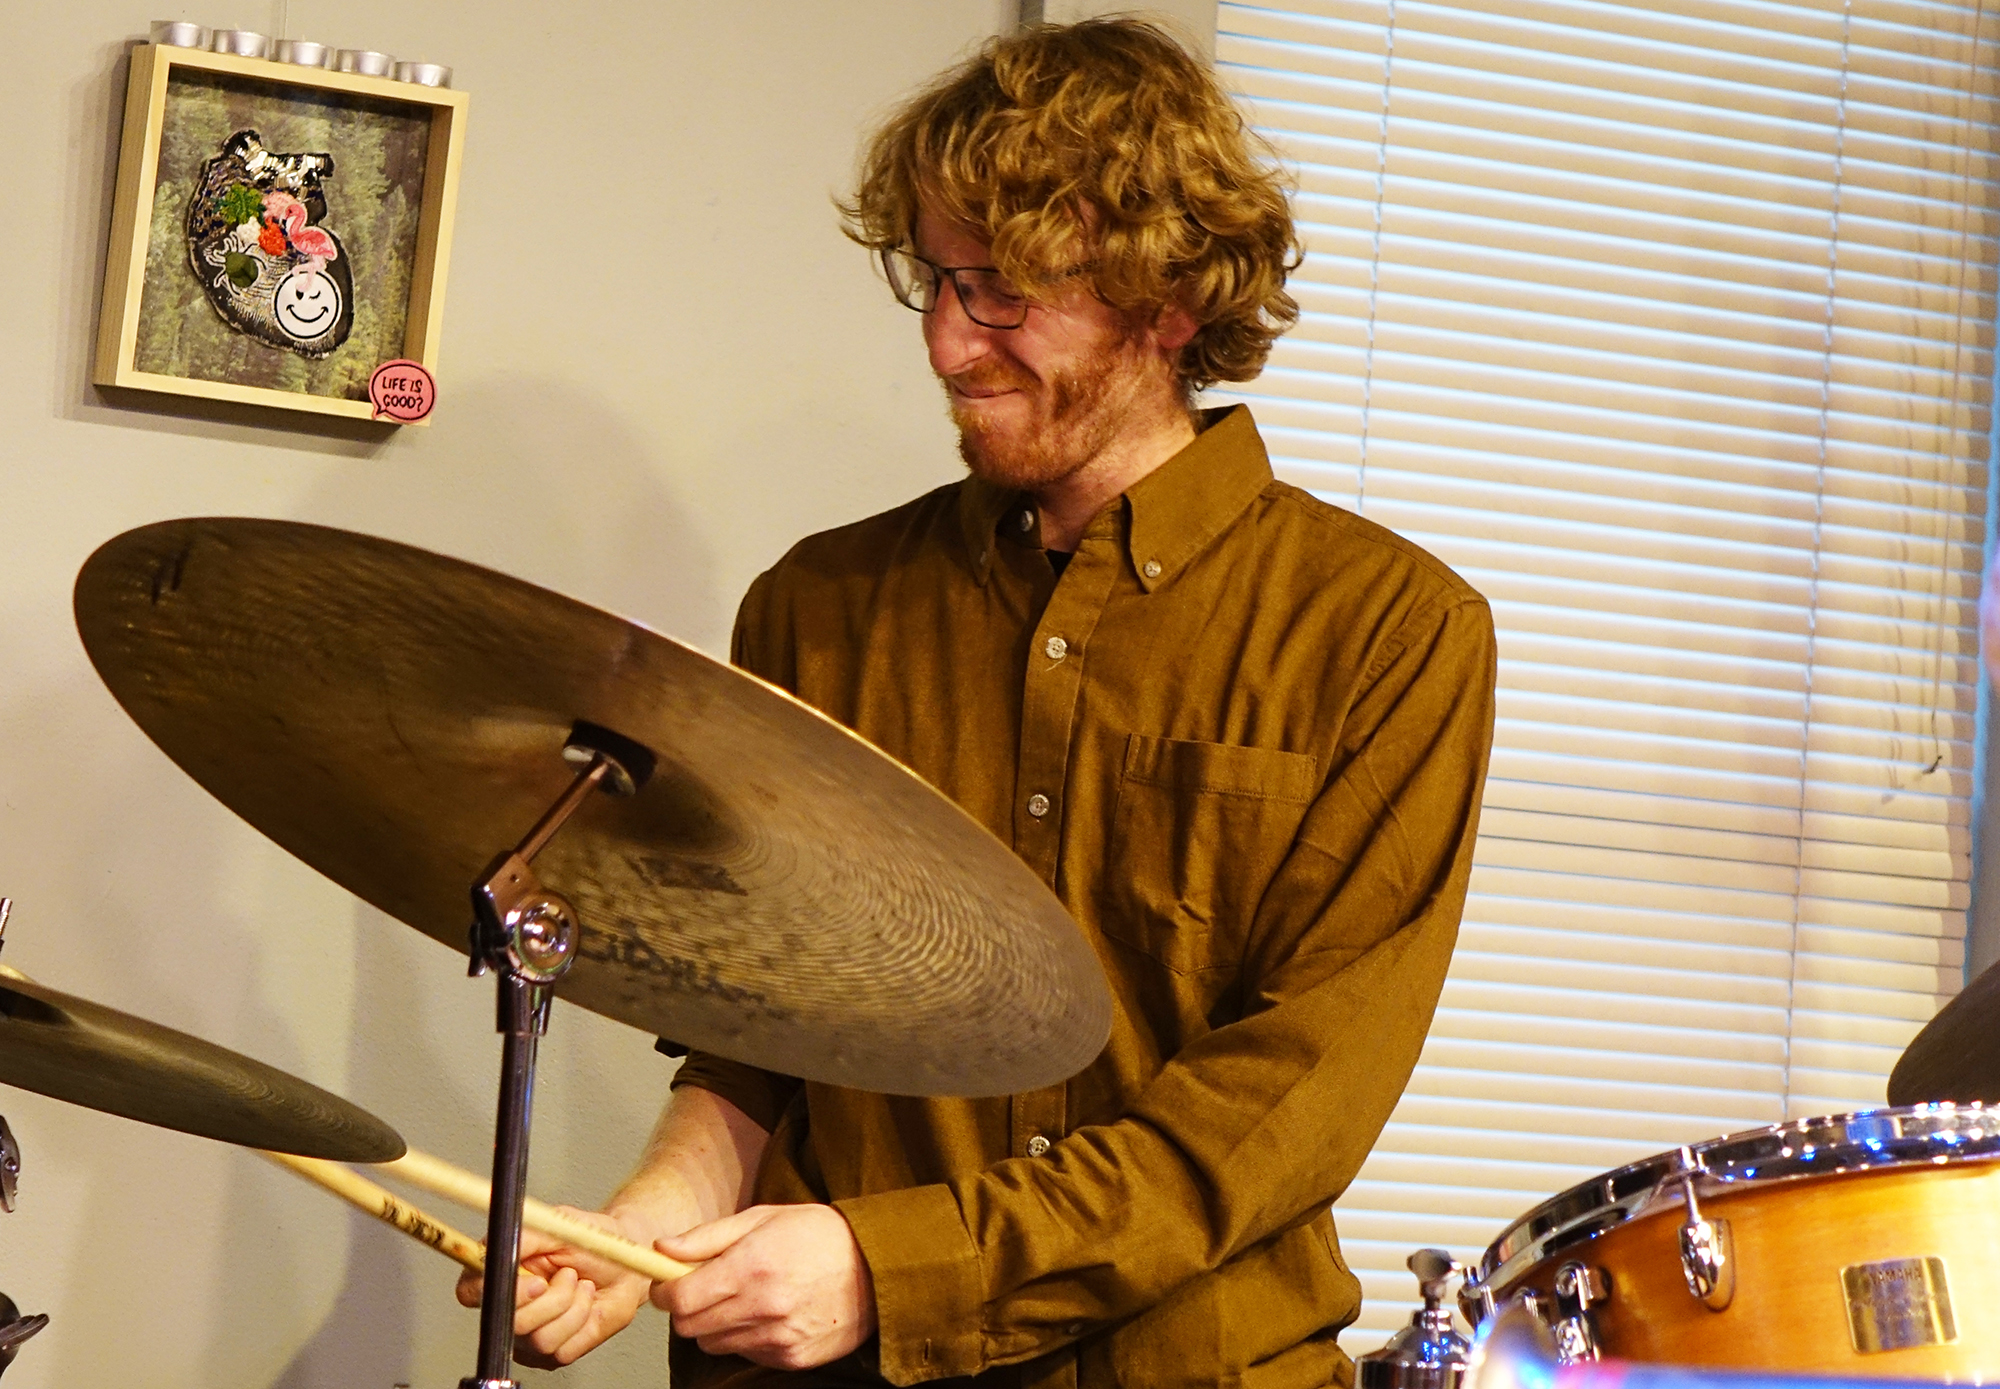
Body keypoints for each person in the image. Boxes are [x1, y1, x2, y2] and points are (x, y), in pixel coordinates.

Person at [458, 18, 1496, 1388]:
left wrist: (893, 1268)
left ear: (1167, 296)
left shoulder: (1391, 635)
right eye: (938, 282)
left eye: (1005, 291)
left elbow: (1274, 1111)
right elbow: (763, 1038)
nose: (950, 344)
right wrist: (646, 1221)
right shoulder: (818, 608)